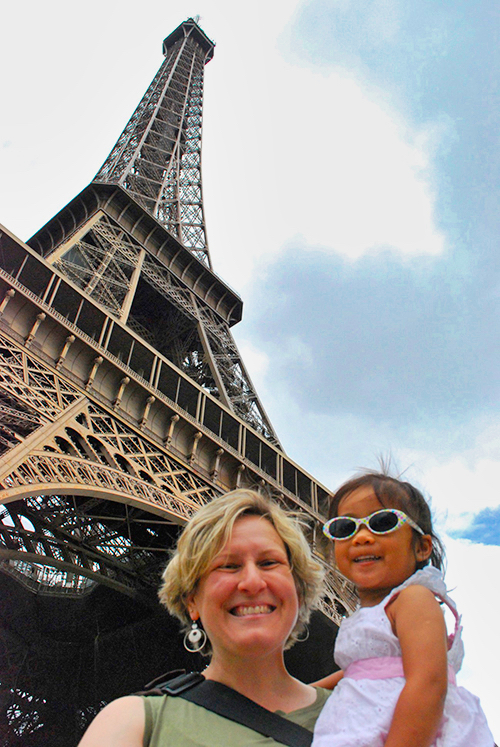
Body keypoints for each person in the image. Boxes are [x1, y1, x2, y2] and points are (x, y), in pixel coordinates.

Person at [79, 488, 331, 746]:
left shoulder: (359, 714)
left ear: (298, 591)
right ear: (192, 602)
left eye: (269, 563)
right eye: (228, 566)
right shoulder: (133, 720)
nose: (252, 582)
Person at [312, 471, 494, 747]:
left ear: (422, 547)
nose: (361, 537)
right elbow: (361, 669)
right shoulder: (370, 617)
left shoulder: (413, 599)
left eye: (382, 522)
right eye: (344, 528)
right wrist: (302, 693)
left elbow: (429, 681)